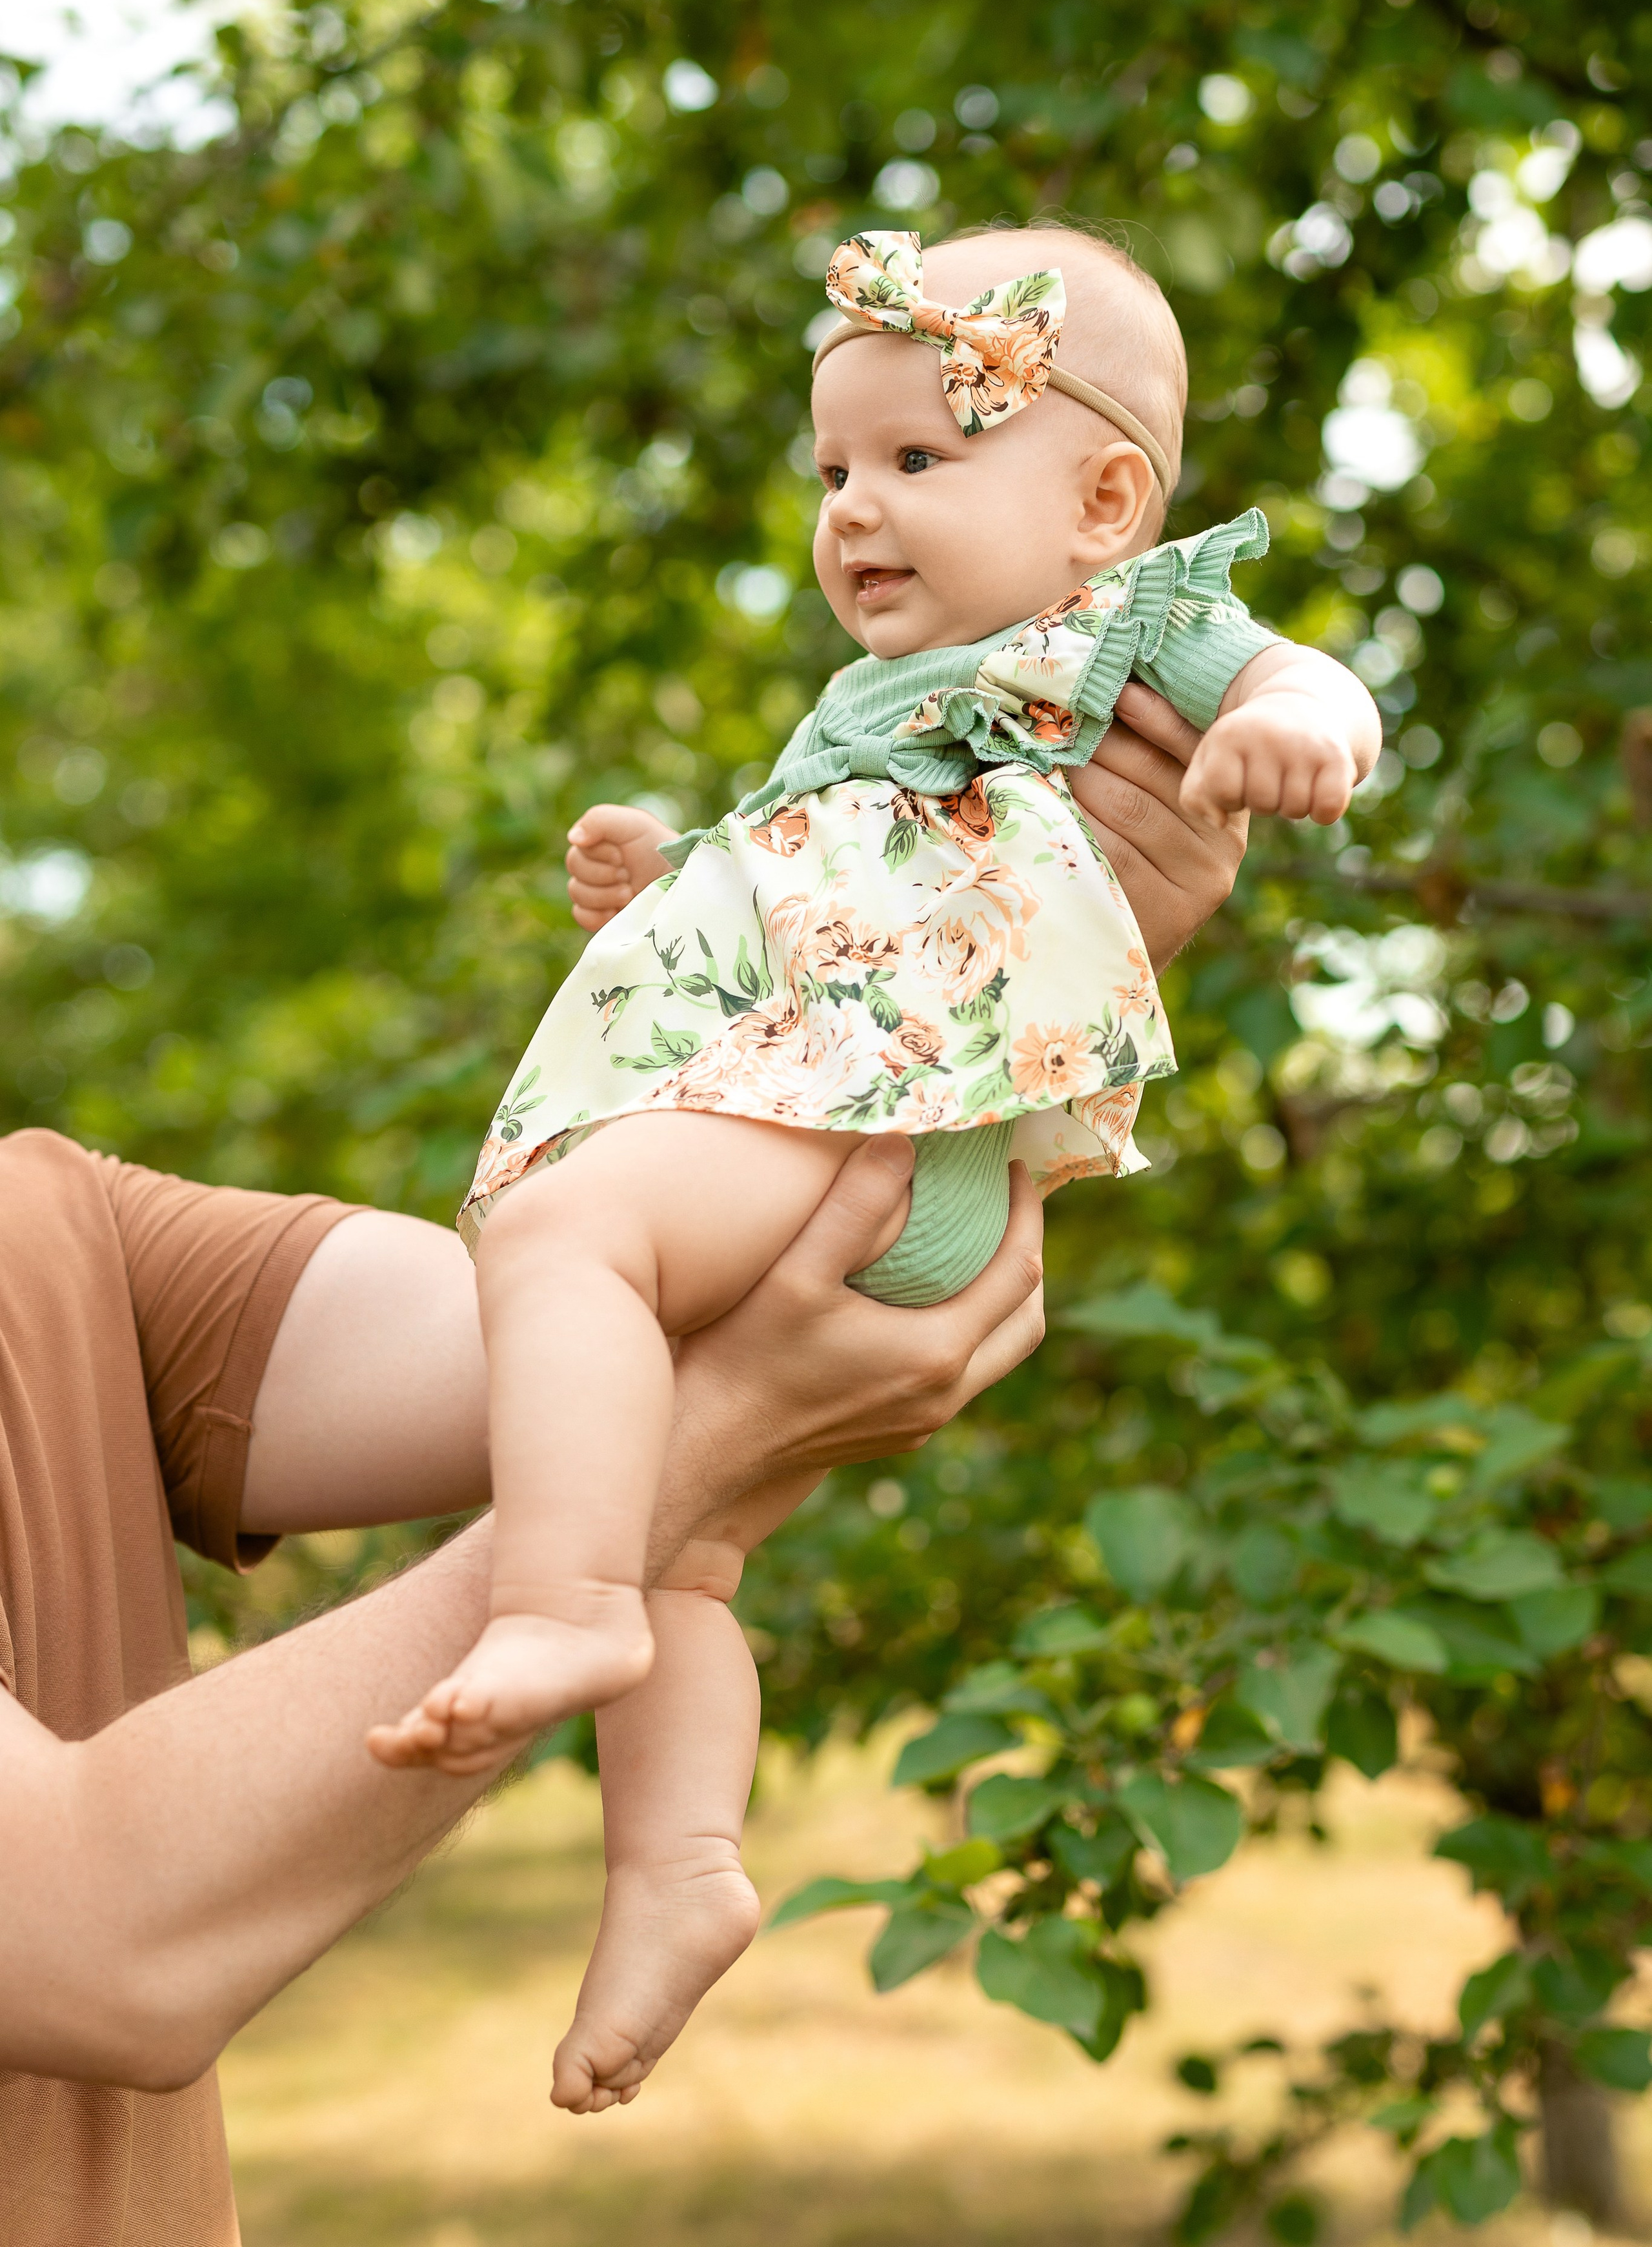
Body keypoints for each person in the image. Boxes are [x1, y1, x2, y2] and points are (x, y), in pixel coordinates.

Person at [0, 680, 1244, 2247]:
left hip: (897, 1088)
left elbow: (615, 1339)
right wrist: (686, 1468)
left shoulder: (51, 1224)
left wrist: (1042, 944)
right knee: (665, 1511)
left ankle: (684, 1852)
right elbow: (79, 1942)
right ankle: (678, 1847)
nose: (860, 507)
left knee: (605, 1367)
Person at [368, 224, 1382, 2115]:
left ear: (1103, 499)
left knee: (568, 1233)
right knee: (708, 1543)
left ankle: (558, 1596)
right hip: (844, 1109)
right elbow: (832, 880)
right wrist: (669, 871)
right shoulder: (874, 716)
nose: (854, 510)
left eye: (918, 460)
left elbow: (1322, 677)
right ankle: (676, 1869)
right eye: (833, 470)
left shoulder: (1130, 626)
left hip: (882, 1130)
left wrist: (1289, 731)